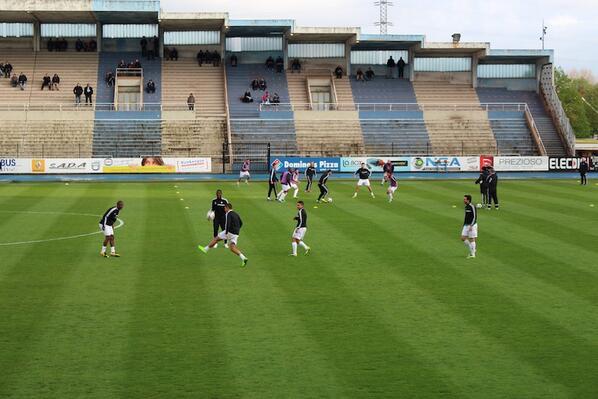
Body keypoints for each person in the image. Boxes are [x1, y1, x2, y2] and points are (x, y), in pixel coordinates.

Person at [198, 203, 249, 267]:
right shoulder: (236, 213)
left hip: (229, 232)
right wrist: (237, 230)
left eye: (225, 208)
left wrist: (226, 232)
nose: (224, 209)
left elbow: (228, 223)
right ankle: (244, 258)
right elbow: (241, 223)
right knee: (232, 247)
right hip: (236, 233)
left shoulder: (228, 214)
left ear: (227, 208)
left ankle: (206, 249)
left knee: (216, 238)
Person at [461, 194, 478, 259]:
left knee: (472, 239)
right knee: (463, 238)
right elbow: (466, 217)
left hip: (472, 225)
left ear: (468, 200)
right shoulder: (466, 206)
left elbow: (475, 216)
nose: (463, 200)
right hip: (466, 225)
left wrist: (471, 225)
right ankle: (473, 249)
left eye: (465, 199)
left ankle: (473, 254)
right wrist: (464, 224)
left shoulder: (472, 206)